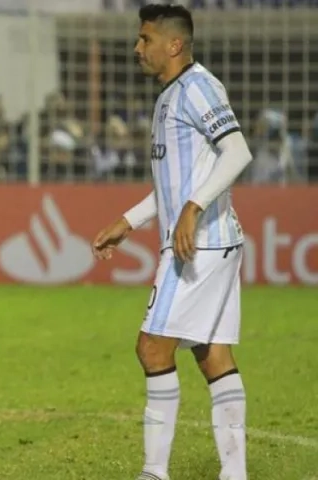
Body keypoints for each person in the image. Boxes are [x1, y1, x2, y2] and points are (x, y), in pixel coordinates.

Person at [90, 5, 253, 480]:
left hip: (199, 245)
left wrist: (194, 207)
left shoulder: (198, 87)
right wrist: (129, 220)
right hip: (211, 241)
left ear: (174, 44)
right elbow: (175, 185)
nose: (137, 47)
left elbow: (237, 151)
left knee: (152, 348)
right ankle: (234, 473)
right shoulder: (169, 95)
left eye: (146, 39)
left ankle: (154, 472)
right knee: (212, 353)